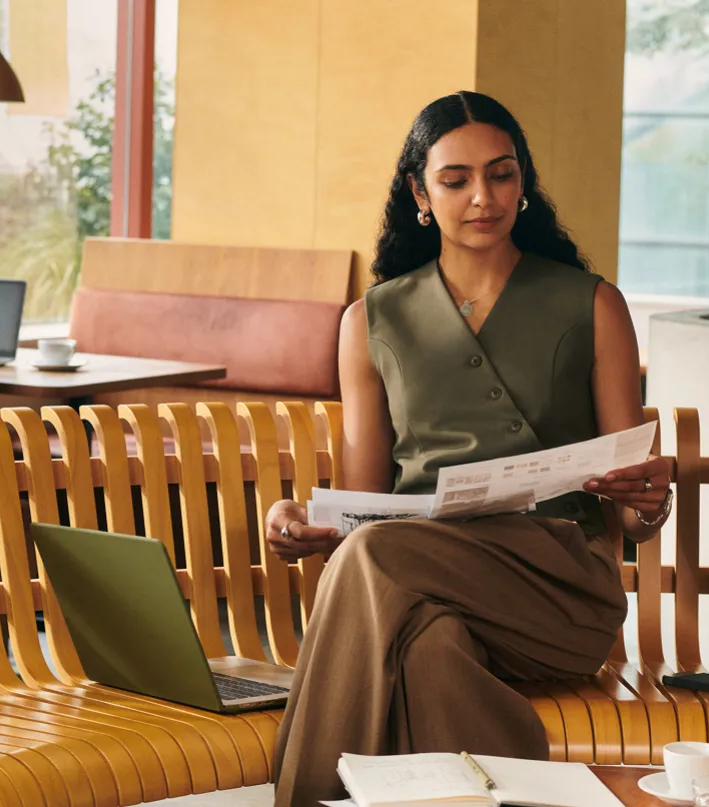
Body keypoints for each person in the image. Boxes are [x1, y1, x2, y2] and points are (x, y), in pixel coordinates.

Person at [264, 91, 674, 807]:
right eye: (456, 180)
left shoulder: (592, 304)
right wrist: (300, 520)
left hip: (560, 590)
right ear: (420, 193)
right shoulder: (371, 321)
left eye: (502, 174)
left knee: (376, 556)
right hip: (418, 580)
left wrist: (646, 506)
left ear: (524, 183)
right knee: (425, 648)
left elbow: (635, 513)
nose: (483, 196)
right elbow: (357, 516)